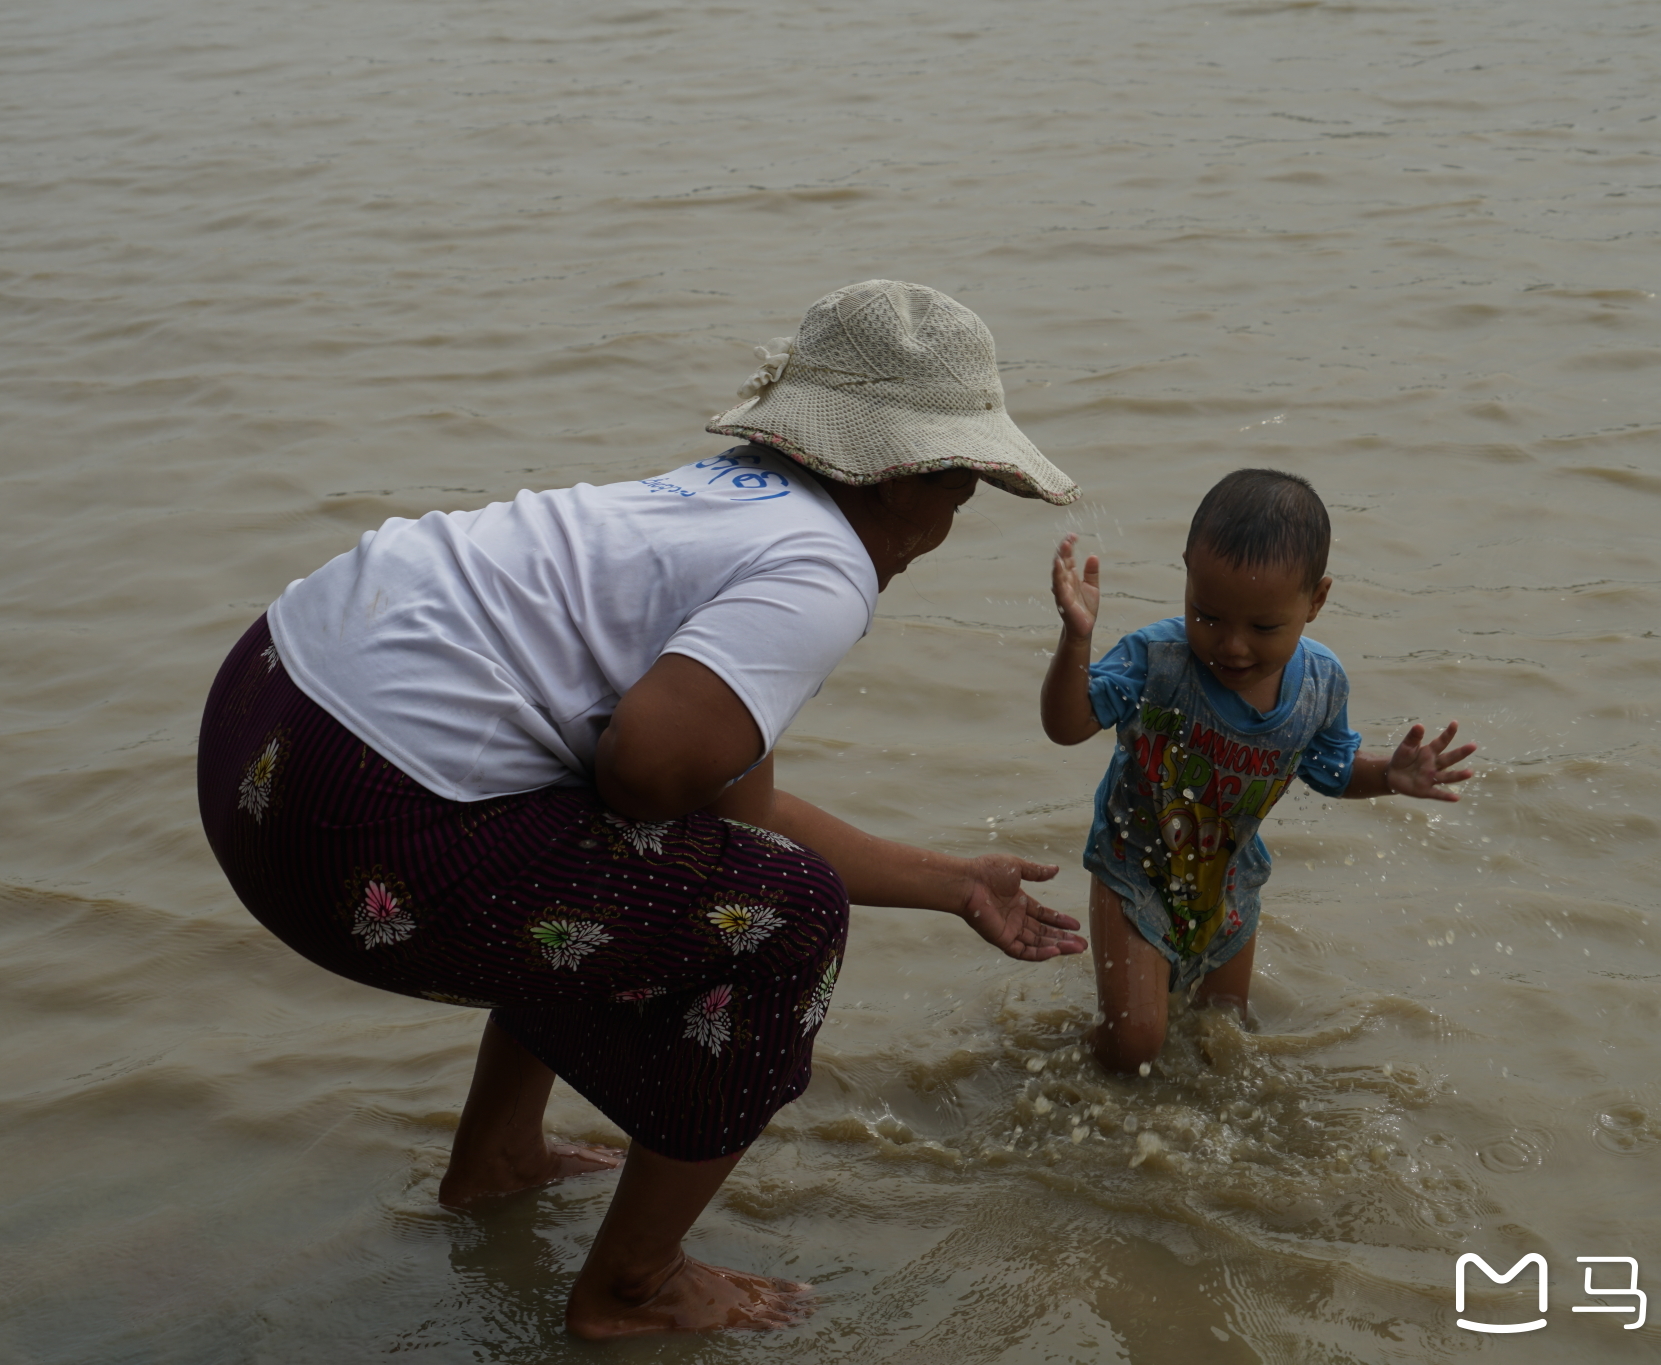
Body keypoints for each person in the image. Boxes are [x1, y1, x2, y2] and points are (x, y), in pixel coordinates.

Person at [197, 280, 1089, 1340]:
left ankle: (498, 1158)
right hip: (360, 823)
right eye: (959, 493)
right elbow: (652, 775)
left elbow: (704, 808)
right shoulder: (823, 567)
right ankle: (634, 1283)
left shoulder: (720, 496)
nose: (945, 526)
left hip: (264, 721)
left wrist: (951, 883)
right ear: (906, 477)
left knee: (610, 847)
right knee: (789, 919)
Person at [1038, 468, 1477, 1071]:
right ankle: (1059, 1072)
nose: (1232, 647)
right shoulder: (1157, 661)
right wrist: (1076, 642)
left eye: (1264, 627)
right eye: (1208, 616)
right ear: (1187, 572)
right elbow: (1066, 726)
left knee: (1224, 1038)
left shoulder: (1321, 686)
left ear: (1316, 600)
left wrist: (1387, 776)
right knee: (1134, 1043)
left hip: (1228, 878)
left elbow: (1331, 770)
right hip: (1134, 867)